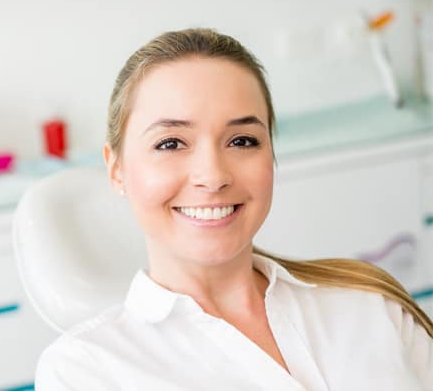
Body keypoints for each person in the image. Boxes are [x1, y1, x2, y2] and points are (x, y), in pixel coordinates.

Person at [34, 28, 433, 390]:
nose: (212, 175)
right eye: (170, 143)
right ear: (117, 169)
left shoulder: (369, 304)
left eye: (242, 140)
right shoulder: (83, 372)